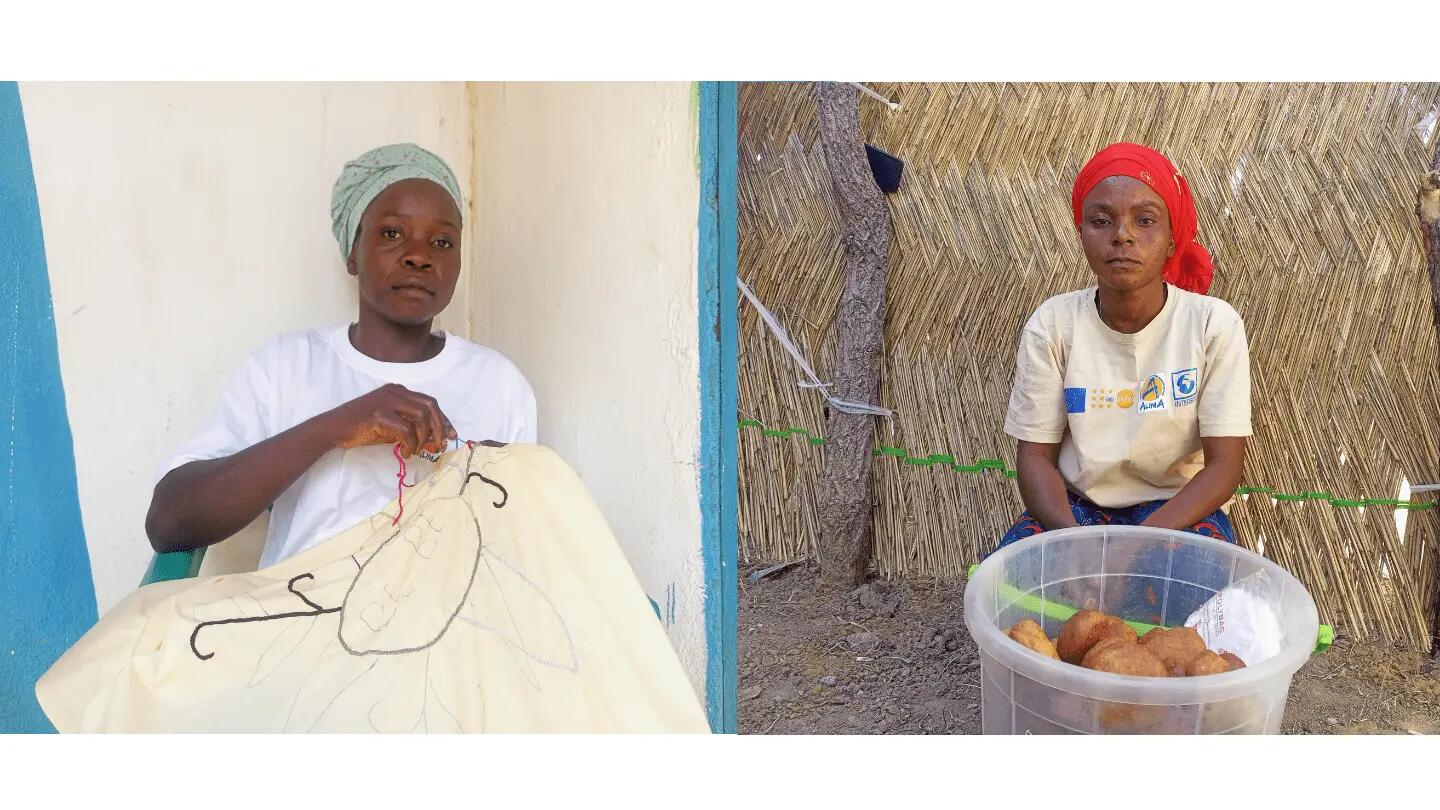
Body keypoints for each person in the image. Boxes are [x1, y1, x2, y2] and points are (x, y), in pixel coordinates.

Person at [146, 143, 536, 568]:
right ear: (352, 252)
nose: (419, 256)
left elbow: (522, 547)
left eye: (442, 242)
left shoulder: (498, 383)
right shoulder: (286, 367)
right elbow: (170, 522)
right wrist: (336, 427)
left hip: (450, 626)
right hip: (298, 621)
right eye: (392, 233)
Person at [999, 142, 1251, 580]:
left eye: (1146, 220)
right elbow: (1035, 457)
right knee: (1014, 585)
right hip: (1073, 511)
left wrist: (1132, 547)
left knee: (1196, 598)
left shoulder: (1212, 324)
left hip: (1175, 510)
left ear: (1174, 236)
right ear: (1081, 233)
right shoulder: (1054, 324)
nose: (1122, 235)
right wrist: (1077, 544)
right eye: (1101, 221)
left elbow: (1224, 466)